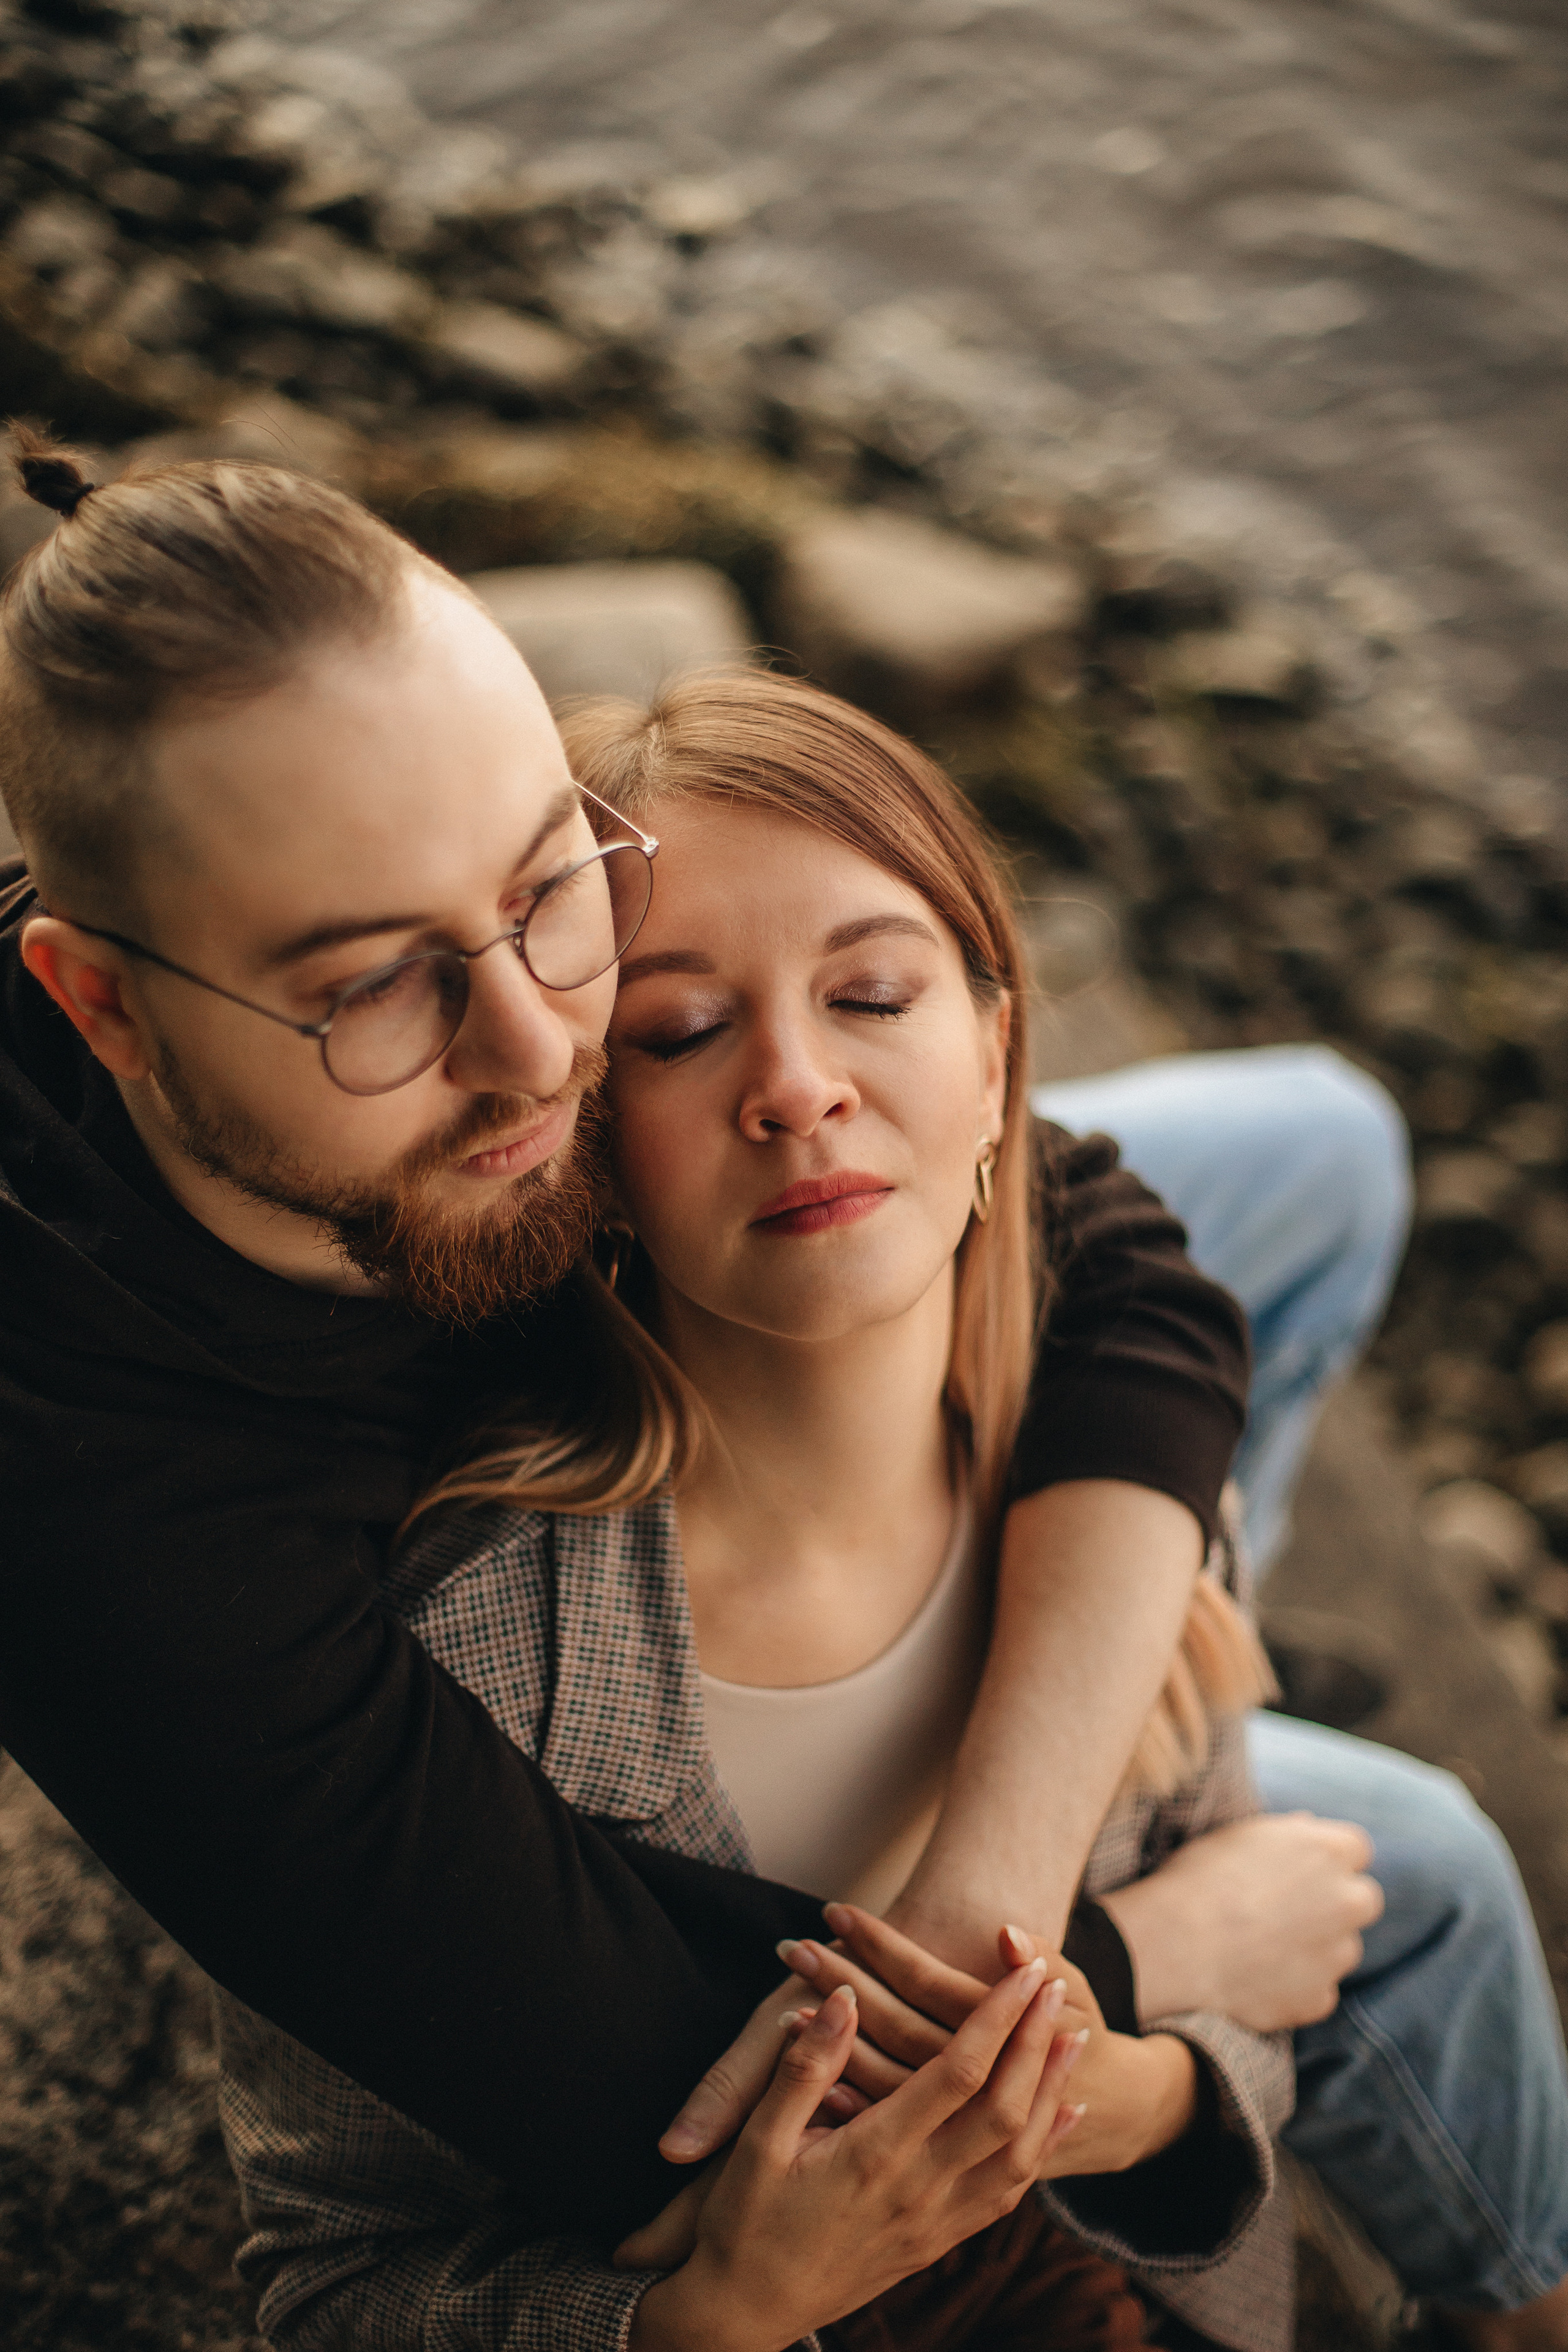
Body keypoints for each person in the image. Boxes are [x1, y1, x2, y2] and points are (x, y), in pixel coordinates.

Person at [0, 432, 1562, 2340]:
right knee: (1425, 1878)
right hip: (686, 1837)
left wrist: (1027, 1801)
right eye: (372, 988)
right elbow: (656, 2115)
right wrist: (1120, 1950)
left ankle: (1163, 1636)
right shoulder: (125, 1547)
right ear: (104, 1009)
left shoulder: (524, 1027)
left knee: (1317, 1155)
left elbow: (1118, 1261)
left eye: (553, 880)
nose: (536, 1051)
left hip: (819, 1510)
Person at [213, 671, 1293, 2352]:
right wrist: (710, 2313)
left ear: (1001, 1054)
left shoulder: (1115, 1495)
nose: (795, 1086)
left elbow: (1260, 2012)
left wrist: (1121, 2093)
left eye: (871, 992)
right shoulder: (472, 1658)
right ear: (579, 1137)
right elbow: (333, 2277)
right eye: (680, 1032)